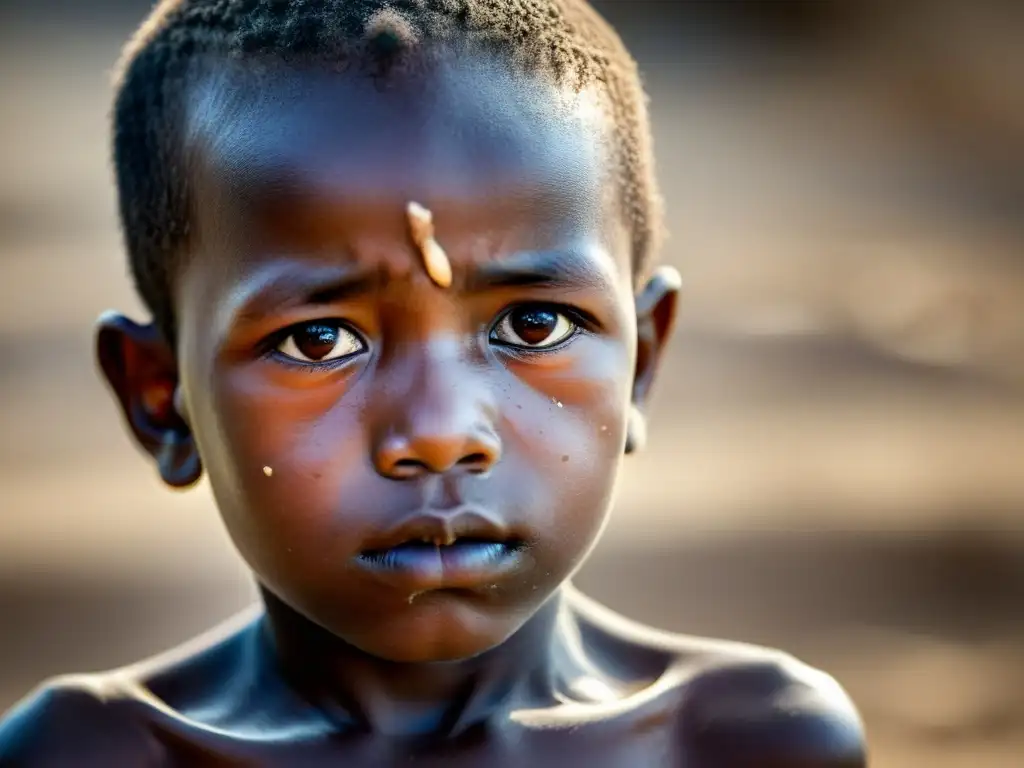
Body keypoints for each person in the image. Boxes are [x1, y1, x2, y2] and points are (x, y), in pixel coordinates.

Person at [0, 1, 866, 765]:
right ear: (161, 398)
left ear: (641, 359)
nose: (442, 431)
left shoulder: (747, 742)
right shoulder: (99, 753)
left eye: (534, 326)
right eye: (319, 339)